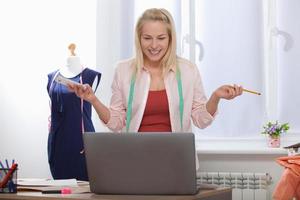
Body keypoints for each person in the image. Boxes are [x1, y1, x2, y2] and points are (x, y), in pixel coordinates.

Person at [68, 8, 243, 133]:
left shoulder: (188, 70)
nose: (153, 45)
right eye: (147, 38)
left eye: (160, 38)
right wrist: (93, 100)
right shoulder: (123, 70)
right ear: (139, 38)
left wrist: (215, 97)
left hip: (176, 160)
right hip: (134, 158)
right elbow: (116, 123)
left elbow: (201, 121)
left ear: (170, 38)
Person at [47, 45, 101, 181]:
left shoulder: (90, 75)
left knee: (83, 188)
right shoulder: (52, 77)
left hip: (82, 143)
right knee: (61, 189)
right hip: (57, 142)